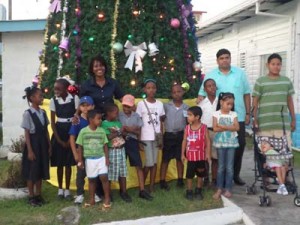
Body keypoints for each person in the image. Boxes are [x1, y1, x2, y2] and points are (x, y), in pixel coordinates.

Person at [197, 49, 251, 186]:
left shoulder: (240, 74)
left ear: (230, 58)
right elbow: (202, 94)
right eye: (221, 58)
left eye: (227, 57)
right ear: (217, 60)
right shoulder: (211, 75)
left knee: (240, 145)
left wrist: (248, 113)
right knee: (221, 148)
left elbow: (246, 94)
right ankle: (219, 176)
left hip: (237, 116)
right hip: (220, 119)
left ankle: (235, 175)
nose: (224, 60)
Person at [252, 53, 296, 147]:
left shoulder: (286, 81)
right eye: (273, 64)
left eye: (278, 64)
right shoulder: (260, 82)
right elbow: (255, 102)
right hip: (264, 124)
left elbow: (290, 101)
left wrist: (293, 119)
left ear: (281, 65)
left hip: (282, 125)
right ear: (267, 65)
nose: (276, 67)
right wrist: (254, 119)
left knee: (284, 155)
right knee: (266, 155)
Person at [119, 94, 153, 200]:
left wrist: (130, 130)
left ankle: (142, 190)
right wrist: (125, 130)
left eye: (129, 106)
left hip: (133, 142)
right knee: (122, 167)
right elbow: (117, 129)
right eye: (125, 106)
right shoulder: (118, 115)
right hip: (121, 142)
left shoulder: (136, 116)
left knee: (138, 165)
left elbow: (139, 131)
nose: (126, 108)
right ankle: (123, 191)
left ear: (133, 106)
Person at [21, 86, 51, 206]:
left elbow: (46, 131)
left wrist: (49, 146)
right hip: (33, 144)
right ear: (32, 98)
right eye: (39, 96)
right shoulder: (28, 113)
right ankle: (31, 196)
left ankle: (38, 195)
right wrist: (30, 150)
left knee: (40, 169)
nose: (42, 98)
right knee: (32, 171)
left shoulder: (43, 112)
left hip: (42, 143)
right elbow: (27, 133)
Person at [50, 78, 79, 199]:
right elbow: (52, 122)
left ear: (66, 88)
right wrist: (58, 139)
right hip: (59, 131)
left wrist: (70, 138)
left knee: (68, 163)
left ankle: (67, 190)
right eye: (55, 88)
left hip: (71, 129)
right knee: (59, 163)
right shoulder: (53, 100)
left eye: (58, 89)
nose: (56, 91)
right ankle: (60, 189)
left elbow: (76, 117)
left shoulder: (74, 98)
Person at [69, 96, 101, 204]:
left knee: (94, 174)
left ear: (93, 106)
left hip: (94, 152)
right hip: (81, 152)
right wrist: (75, 154)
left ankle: (95, 194)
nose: (86, 108)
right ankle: (80, 194)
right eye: (83, 105)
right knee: (80, 174)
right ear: (79, 107)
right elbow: (72, 137)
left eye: (88, 105)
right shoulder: (77, 120)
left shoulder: (96, 119)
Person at [76, 110, 111, 209]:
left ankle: (107, 198)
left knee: (104, 178)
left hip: (101, 158)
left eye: (101, 118)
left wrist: (107, 159)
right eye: (98, 119)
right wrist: (80, 160)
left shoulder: (102, 131)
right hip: (90, 160)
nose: (100, 121)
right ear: (91, 120)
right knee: (92, 180)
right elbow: (80, 146)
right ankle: (92, 199)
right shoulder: (83, 131)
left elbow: (105, 146)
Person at [136, 79, 165, 192]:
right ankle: (142, 184)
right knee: (149, 163)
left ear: (156, 89)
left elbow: (161, 122)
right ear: (145, 90)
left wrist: (161, 138)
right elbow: (139, 123)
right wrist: (139, 140)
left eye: (153, 87)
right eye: (148, 88)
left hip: (156, 137)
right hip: (145, 137)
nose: (151, 90)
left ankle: (152, 185)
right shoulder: (141, 104)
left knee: (154, 162)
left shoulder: (160, 104)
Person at [160, 84, 189, 190]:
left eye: (179, 91)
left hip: (181, 135)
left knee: (179, 158)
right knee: (165, 159)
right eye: (174, 92)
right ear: (171, 94)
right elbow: (161, 119)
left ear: (183, 92)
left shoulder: (186, 108)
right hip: (169, 135)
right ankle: (162, 180)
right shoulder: (166, 106)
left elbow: (188, 122)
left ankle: (180, 180)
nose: (177, 94)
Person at [101, 103, 131, 202]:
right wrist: (118, 132)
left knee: (123, 173)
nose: (117, 114)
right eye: (115, 113)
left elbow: (122, 136)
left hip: (121, 150)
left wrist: (124, 134)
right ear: (108, 113)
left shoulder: (118, 123)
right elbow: (107, 137)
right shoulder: (104, 124)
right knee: (110, 174)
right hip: (112, 151)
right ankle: (108, 193)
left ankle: (124, 192)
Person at [213, 92, 240, 199]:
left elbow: (237, 127)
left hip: (231, 143)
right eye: (227, 104)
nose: (230, 106)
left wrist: (222, 126)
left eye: (231, 104)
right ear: (221, 102)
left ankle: (228, 188)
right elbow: (215, 128)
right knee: (221, 167)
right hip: (220, 143)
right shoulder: (216, 114)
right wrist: (230, 126)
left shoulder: (233, 114)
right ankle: (219, 188)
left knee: (229, 167)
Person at [181, 106, 211, 200]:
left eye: (190, 115)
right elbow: (184, 140)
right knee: (189, 175)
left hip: (201, 157)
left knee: (200, 174)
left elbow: (208, 141)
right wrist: (182, 154)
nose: (187, 117)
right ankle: (189, 191)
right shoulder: (187, 128)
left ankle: (198, 190)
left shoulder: (204, 127)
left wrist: (208, 154)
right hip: (191, 157)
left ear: (197, 117)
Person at [198, 78, 218, 186]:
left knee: (215, 157)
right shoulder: (202, 104)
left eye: (213, 85)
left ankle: (214, 179)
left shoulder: (220, 102)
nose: (212, 88)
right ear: (205, 89)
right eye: (209, 86)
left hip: (217, 131)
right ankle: (205, 177)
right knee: (205, 156)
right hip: (206, 132)